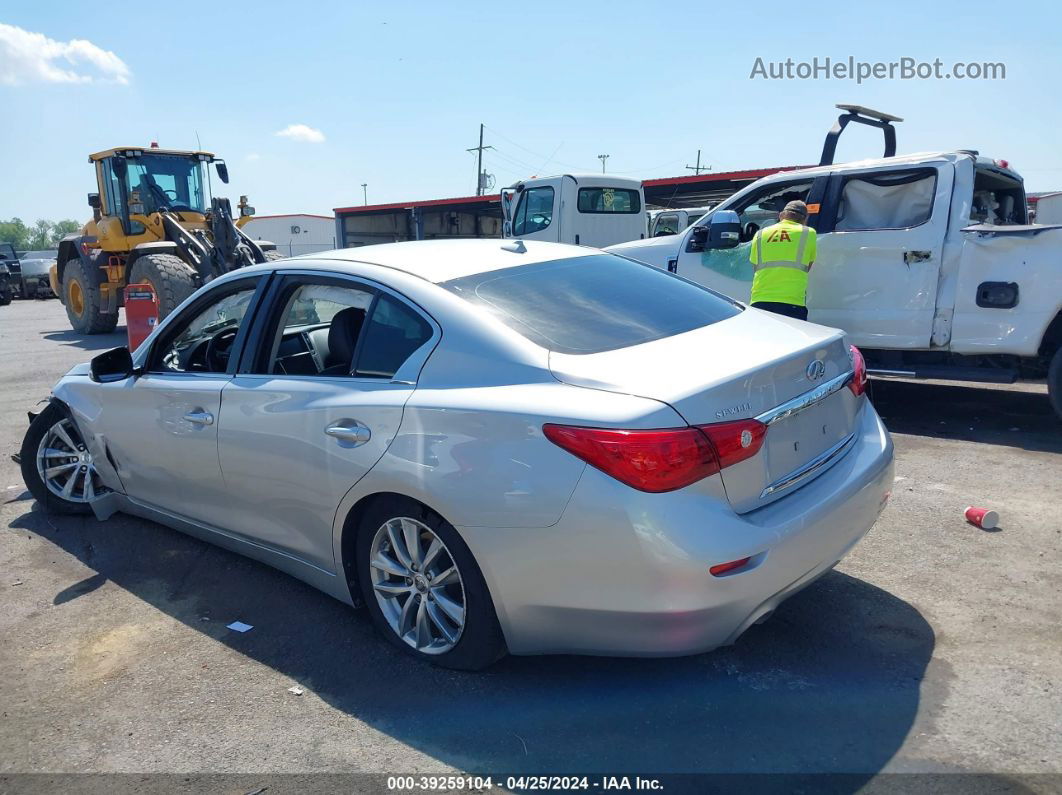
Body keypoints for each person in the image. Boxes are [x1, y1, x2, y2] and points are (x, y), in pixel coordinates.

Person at [748, 199, 816, 321]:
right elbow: (808, 266)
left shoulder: (759, 234)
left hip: (759, 301)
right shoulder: (808, 233)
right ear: (805, 219)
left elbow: (755, 266)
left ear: (781, 215)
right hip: (791, 301)